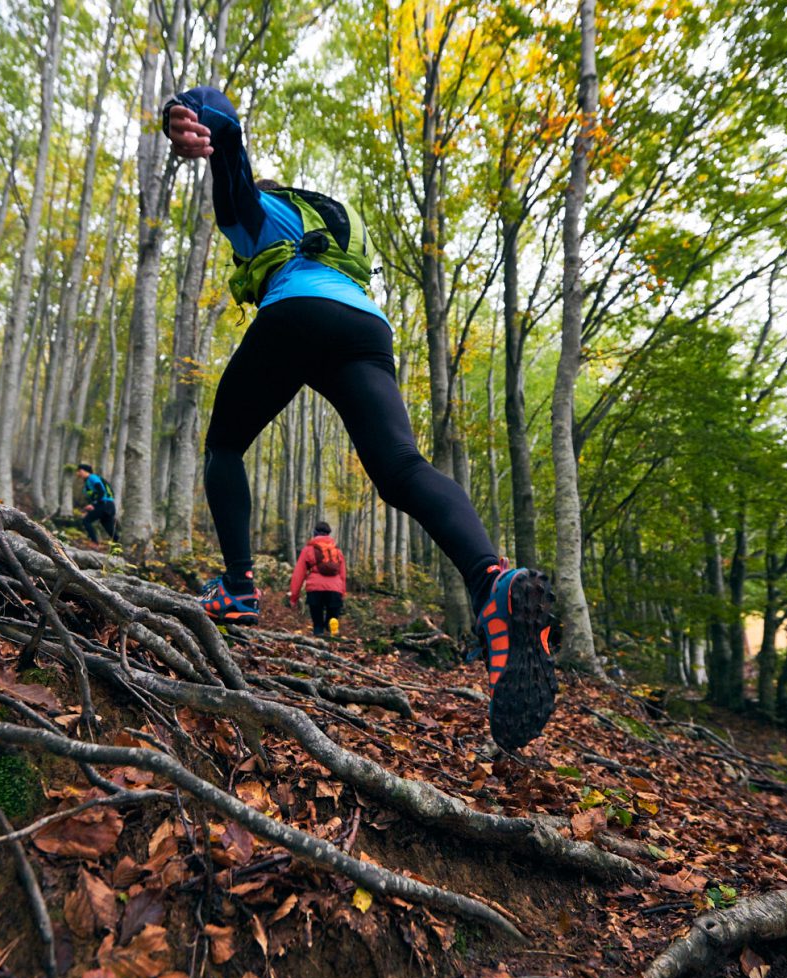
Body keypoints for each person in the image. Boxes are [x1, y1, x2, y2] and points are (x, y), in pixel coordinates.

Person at [161, 86, 559, 751]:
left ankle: (236, 589)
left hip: (297, 315)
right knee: (401, 467)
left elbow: (229, 164)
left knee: (224, 446)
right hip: (366, 329)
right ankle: (493, 580)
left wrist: (199, 119)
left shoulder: (259, 214)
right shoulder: (339, 222)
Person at [289, 521, 346, 637]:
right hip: (335, 588)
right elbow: (343, 574)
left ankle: (318, 636)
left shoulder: (308, 549)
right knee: (332, 620)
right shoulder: (337, 550)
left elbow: (299, 574)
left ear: (314, 533)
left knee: (317, 624)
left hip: (315, 588)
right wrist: (342, 593)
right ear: (328, 534)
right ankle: (332, 638)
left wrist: (294, 596)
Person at [74, 464, 116, 543]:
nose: (78, 474)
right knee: (108, 526)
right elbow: (94, 495)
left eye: (80, 471)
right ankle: (117, 543)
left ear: (85, 471)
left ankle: (94, 542)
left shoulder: (92, 478)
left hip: (104, 503)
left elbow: (101, 491)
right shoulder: (88, 481)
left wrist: (93, 505)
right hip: (109, 505)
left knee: (86, 521)